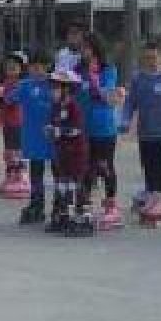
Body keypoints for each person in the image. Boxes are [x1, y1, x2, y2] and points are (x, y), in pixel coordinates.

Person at [120, 40, 161, 228]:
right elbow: (130, 103)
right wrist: (124, 121)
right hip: (146, 134)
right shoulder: (138, 79)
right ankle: (151, 200)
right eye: (147, 57)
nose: (151, 61)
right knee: (149, 169)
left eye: (154, 57)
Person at [76, 33, 122, 230]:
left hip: (104, 127)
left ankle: (111, 204)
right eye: (82, 48)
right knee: (86, 167)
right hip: (84, 127)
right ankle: (84, 203)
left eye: (87, 48)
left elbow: (109, 97)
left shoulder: (108, 70)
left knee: (105, 166)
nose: (84, 52)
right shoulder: (78, 71)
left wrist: (95, 81)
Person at [45, 69, 92, 236]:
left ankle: (84, 217)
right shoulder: (56, 106)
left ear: (67, 89)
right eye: (53, 87)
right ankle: (65, 214)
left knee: (75, 184)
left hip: (76, 152)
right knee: (63, 185)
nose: (53, 91)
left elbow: (76, 129)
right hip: (62, 151)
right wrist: (50, 129)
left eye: (57, 87)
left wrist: (58, 131)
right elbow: (53, 124)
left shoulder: (73, 107)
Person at [12, 51, 54, 225]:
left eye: (40, 68)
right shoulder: (24, 85)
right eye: (33, 67)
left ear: (48, 68)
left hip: (52, 136)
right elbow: (9, 98)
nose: (36, 71)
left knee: (58, 171)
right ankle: (36, 204)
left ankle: (60, 203)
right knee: (36, 172)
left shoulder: (55, 85)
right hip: (33, 136)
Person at [0, 51, 30, 199]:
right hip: (7, 122)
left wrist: (2, 99)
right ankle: (10, 176)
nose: (10, 69)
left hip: (17, 122)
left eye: (14, 67)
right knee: (9, 152)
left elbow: (11, 100)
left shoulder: (22, 84)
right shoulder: (7, 83)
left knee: (16, 151)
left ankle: (21, 177)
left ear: (22, 69)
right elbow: (0, 103)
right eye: (8, 66)